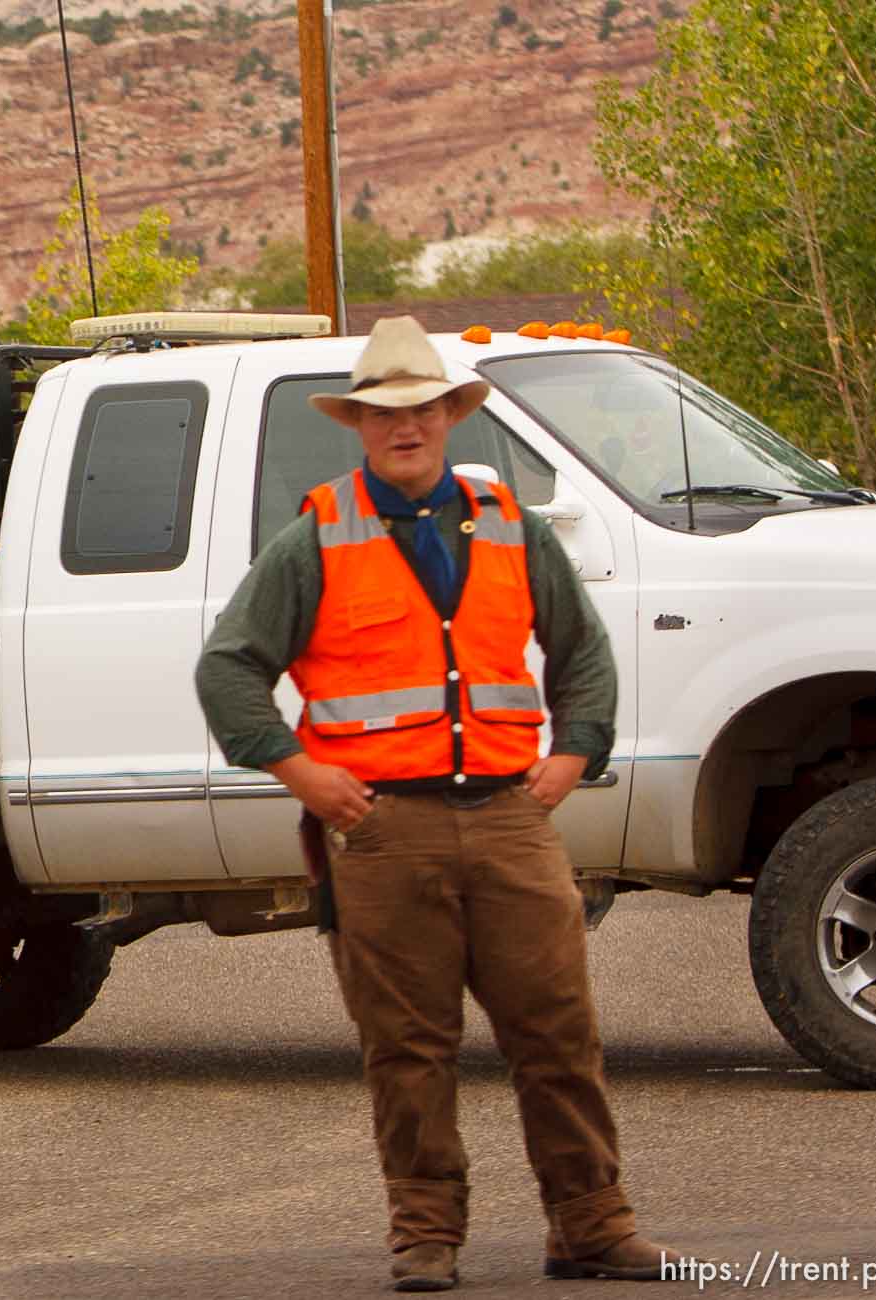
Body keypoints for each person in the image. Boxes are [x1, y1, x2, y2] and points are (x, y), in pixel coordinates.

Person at [194, 316, 692, 1292]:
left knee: (558, 1030)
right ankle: (425, 1236)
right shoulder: (316, 536)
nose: (405, 426)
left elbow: (582, 651)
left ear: (450, 415)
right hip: (383, 830)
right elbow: (228, 670)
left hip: (510, 818)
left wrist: (573, 753)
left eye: (422, 407)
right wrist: (304, 774)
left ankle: (591, 1223)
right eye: (384, 413)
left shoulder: (509, 520)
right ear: (359, 428)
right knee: (408, 1048)